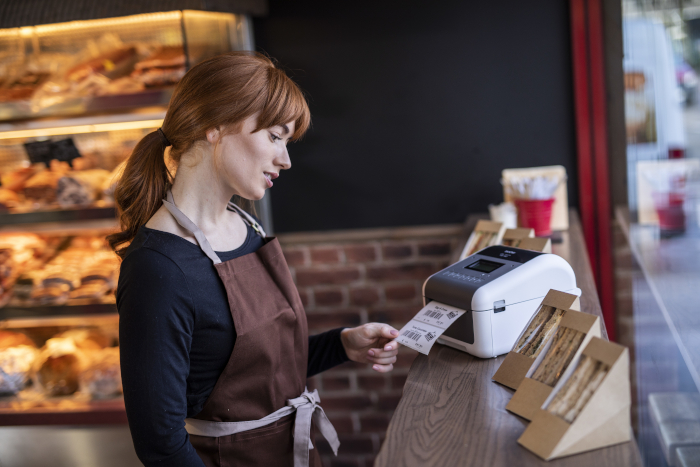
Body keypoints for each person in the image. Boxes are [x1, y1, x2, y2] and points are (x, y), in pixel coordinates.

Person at [110, 52, 400, 467]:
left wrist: (341, 344)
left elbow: (256, 368)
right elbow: (161, 444)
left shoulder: (247, 228)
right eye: (275, 136)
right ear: (216, 126)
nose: (285, 159)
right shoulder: (158, 269)